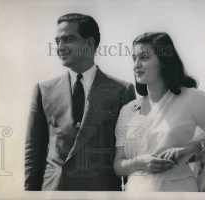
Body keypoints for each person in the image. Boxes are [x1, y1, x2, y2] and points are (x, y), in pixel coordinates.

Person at [24, 13, 136, 191]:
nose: (60, 47)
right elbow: (33, 153)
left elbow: (130, 152)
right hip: (55, 191)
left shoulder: (122, 91)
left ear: (90, 43)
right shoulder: (43, 90)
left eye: (68, 39)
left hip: (101, 191)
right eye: (57, 41)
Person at [113, 32, 205, 192]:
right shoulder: (128, 110)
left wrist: (191, 148)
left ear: (164, 61)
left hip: (178, 190)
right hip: (136, 193)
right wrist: (141, 162)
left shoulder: (191, 98)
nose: (136, 65)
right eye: (134, 59)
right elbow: (118, 166)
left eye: (144, 58)